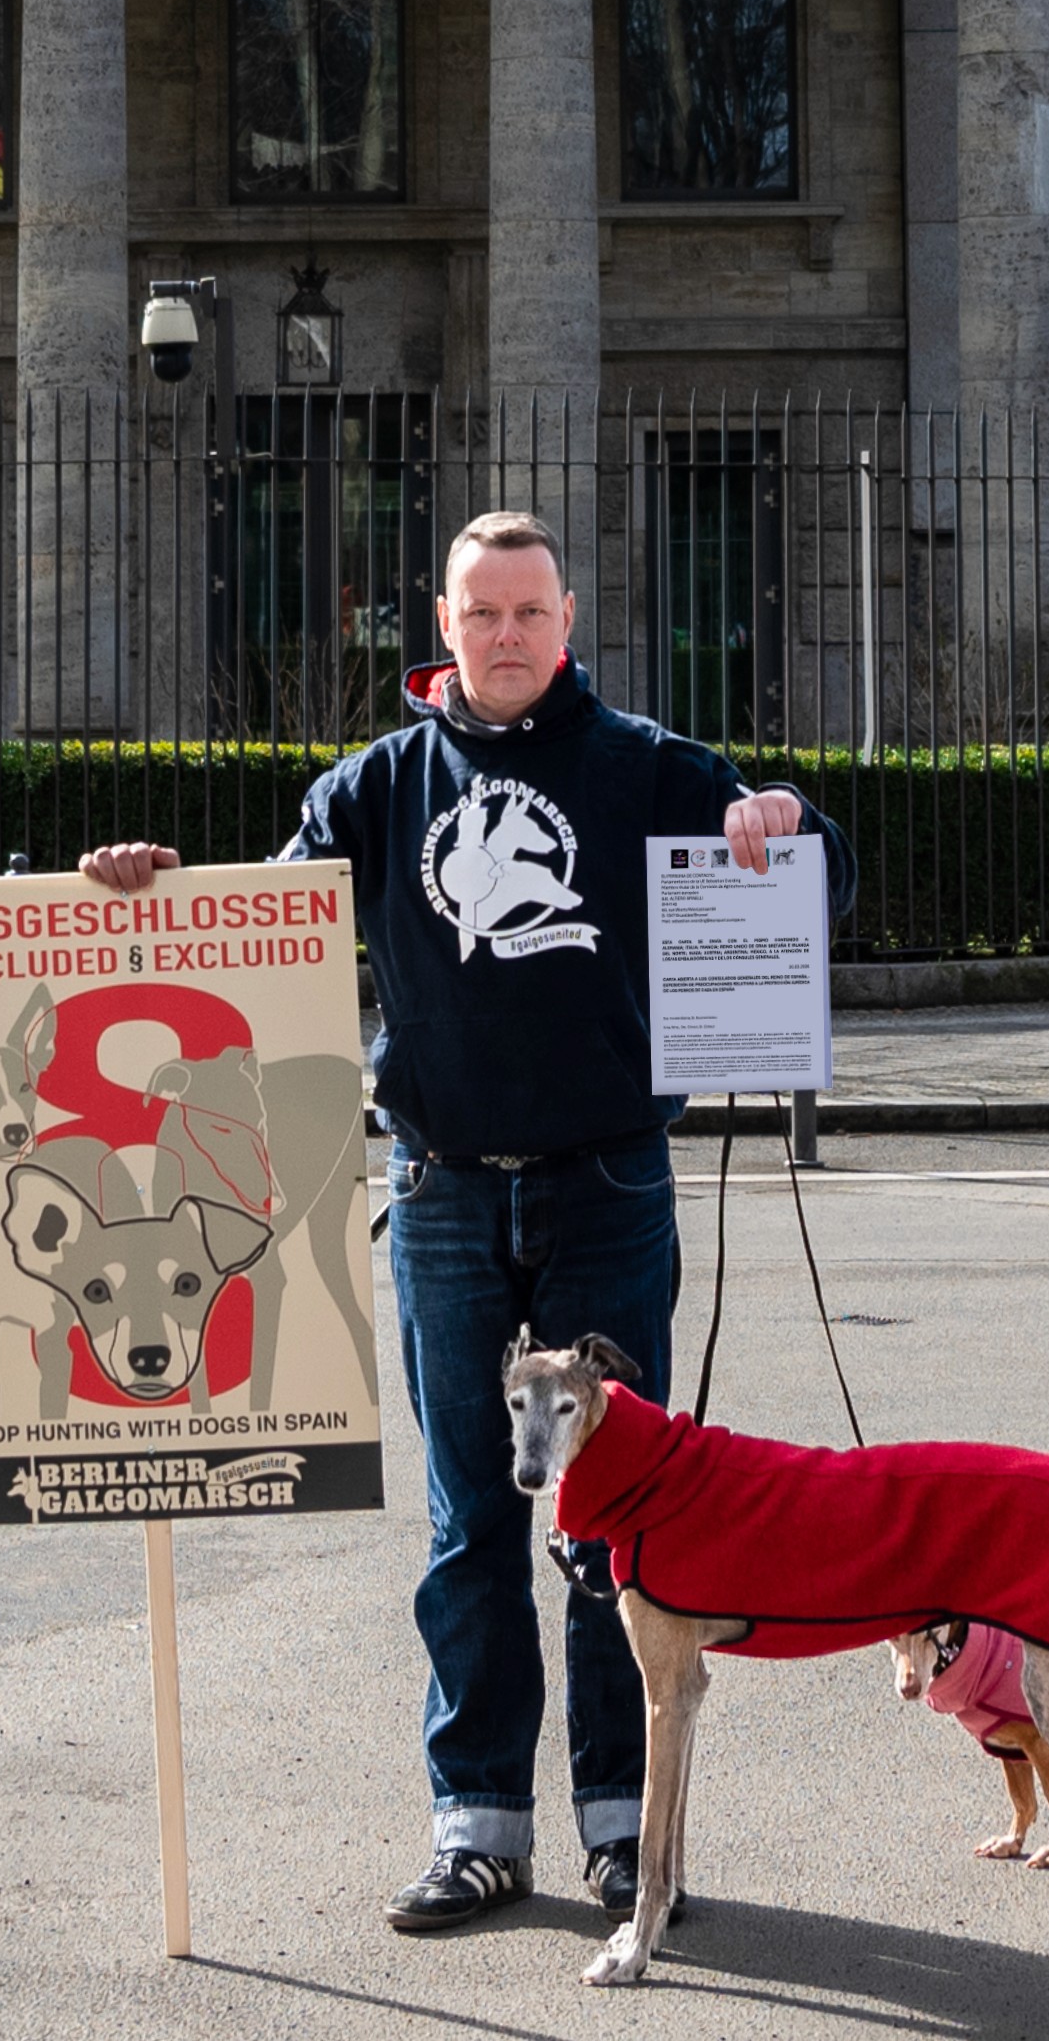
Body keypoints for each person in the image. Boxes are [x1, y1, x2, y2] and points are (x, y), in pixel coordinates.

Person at [81, 503, 851, 1937]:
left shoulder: (649, 771)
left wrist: (785, 828)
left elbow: (818, 888)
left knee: (619, 1527)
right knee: (467, 1524)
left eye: (531, 614)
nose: (507, 637)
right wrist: (148, 892)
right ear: (440, 627)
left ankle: (627, 1832)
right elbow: (259, 933)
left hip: (607, 1182)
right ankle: (478, 1827)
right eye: (481, 613)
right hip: (437, 1190)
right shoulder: (372, 788)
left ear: (570, 626)